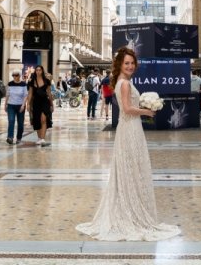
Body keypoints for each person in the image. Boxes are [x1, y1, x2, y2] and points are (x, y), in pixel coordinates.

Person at [76, 47, 180, 241]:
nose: (130, 66)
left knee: (131, 168)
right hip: (130, 128)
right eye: (127, 63)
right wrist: (146, 111)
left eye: (132, 63)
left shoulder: (124, 81)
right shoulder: (124, 84)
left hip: (130, 128)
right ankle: (130, 211)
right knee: (132, 167)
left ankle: (129, 207)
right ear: (120, 65)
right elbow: (126, 109)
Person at [26, 65, 54, 145]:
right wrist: (28, 104)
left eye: (40, 70)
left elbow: (49, 93)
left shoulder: (46, 81)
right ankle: (39, 138)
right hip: (36, 102)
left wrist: (52, 104)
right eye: (37, 70)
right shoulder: (32, 81)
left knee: (43, 119)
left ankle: (42, 138)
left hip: (45, 101)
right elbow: (30, 93)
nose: (38, 71)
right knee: (37, 120)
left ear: (42, 71)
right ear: (35, 71)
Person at [6, 70, 28, 144]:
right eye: (13, 75)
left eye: (16, 75)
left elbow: (25, 95)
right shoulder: (10, 84)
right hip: (11, 105)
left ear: (20, 75)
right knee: (11, 120)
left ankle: (19, 137)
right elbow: (8, 94)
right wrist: (5, 104)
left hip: (20, 105)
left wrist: (23, 105)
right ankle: (10, 137)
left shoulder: (23, 84)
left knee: (20, 123)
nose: (14, 77)